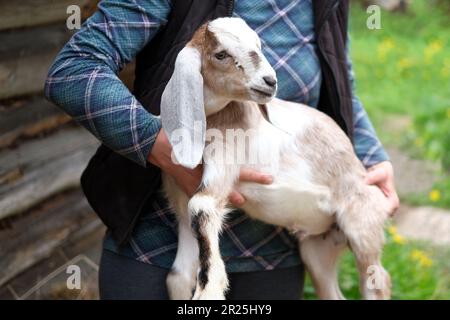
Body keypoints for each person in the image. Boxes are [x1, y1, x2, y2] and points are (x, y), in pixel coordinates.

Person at [45, 0, 399, 300]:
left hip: (272, 251)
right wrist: (163, 149)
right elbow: (74, 72)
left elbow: (340, 78)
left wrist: (371, 154)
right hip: (159, 248)